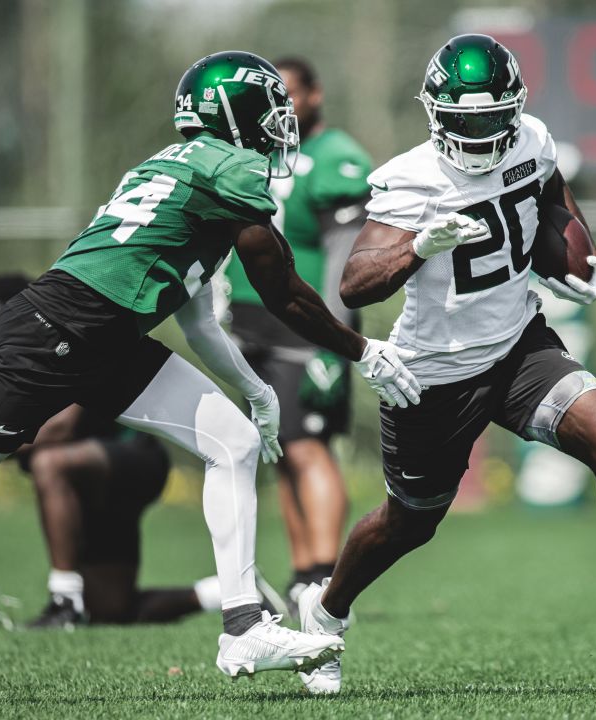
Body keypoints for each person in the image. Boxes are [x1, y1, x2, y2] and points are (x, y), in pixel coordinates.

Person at [0, 51, 422, 681]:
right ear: (237, 115)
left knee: (234, 441)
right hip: (65, 329)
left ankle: (244, 624)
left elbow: (194, 313)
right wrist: (366, 351)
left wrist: (254, 392)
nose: (281, 124)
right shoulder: (233, 169)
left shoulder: (185, 165)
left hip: (95, 328)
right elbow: (286, 294)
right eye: (270, 109)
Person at [292, 34, 596, 695]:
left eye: (489, 117)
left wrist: (576, 256)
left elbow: (553, 195)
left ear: (515, 109)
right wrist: (421, 243)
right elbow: (356, 284)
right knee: (409, 522)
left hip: (518, 348)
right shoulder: (410, 177)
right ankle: (326, 613)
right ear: (435, 114)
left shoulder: (531, 139)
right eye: (464, 120)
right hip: (435, 373)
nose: (478, 133)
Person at [0, 273, 286, 630]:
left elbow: (63, 426)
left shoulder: (63, 337)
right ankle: (228, 594)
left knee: (48, 462)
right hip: (81, 482)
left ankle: (64, 601)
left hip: (131, 458)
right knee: (111, 607)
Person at [220, 57, 372, 612]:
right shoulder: (258, 152)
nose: (279, 105)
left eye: (288, 93)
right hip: (249, 325)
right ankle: (302, 570)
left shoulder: (336, 158)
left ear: (315, 94)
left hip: (303, 326)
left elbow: (345, 258)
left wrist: (336, 338)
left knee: (310, 448)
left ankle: (326, 572)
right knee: (279, 449)